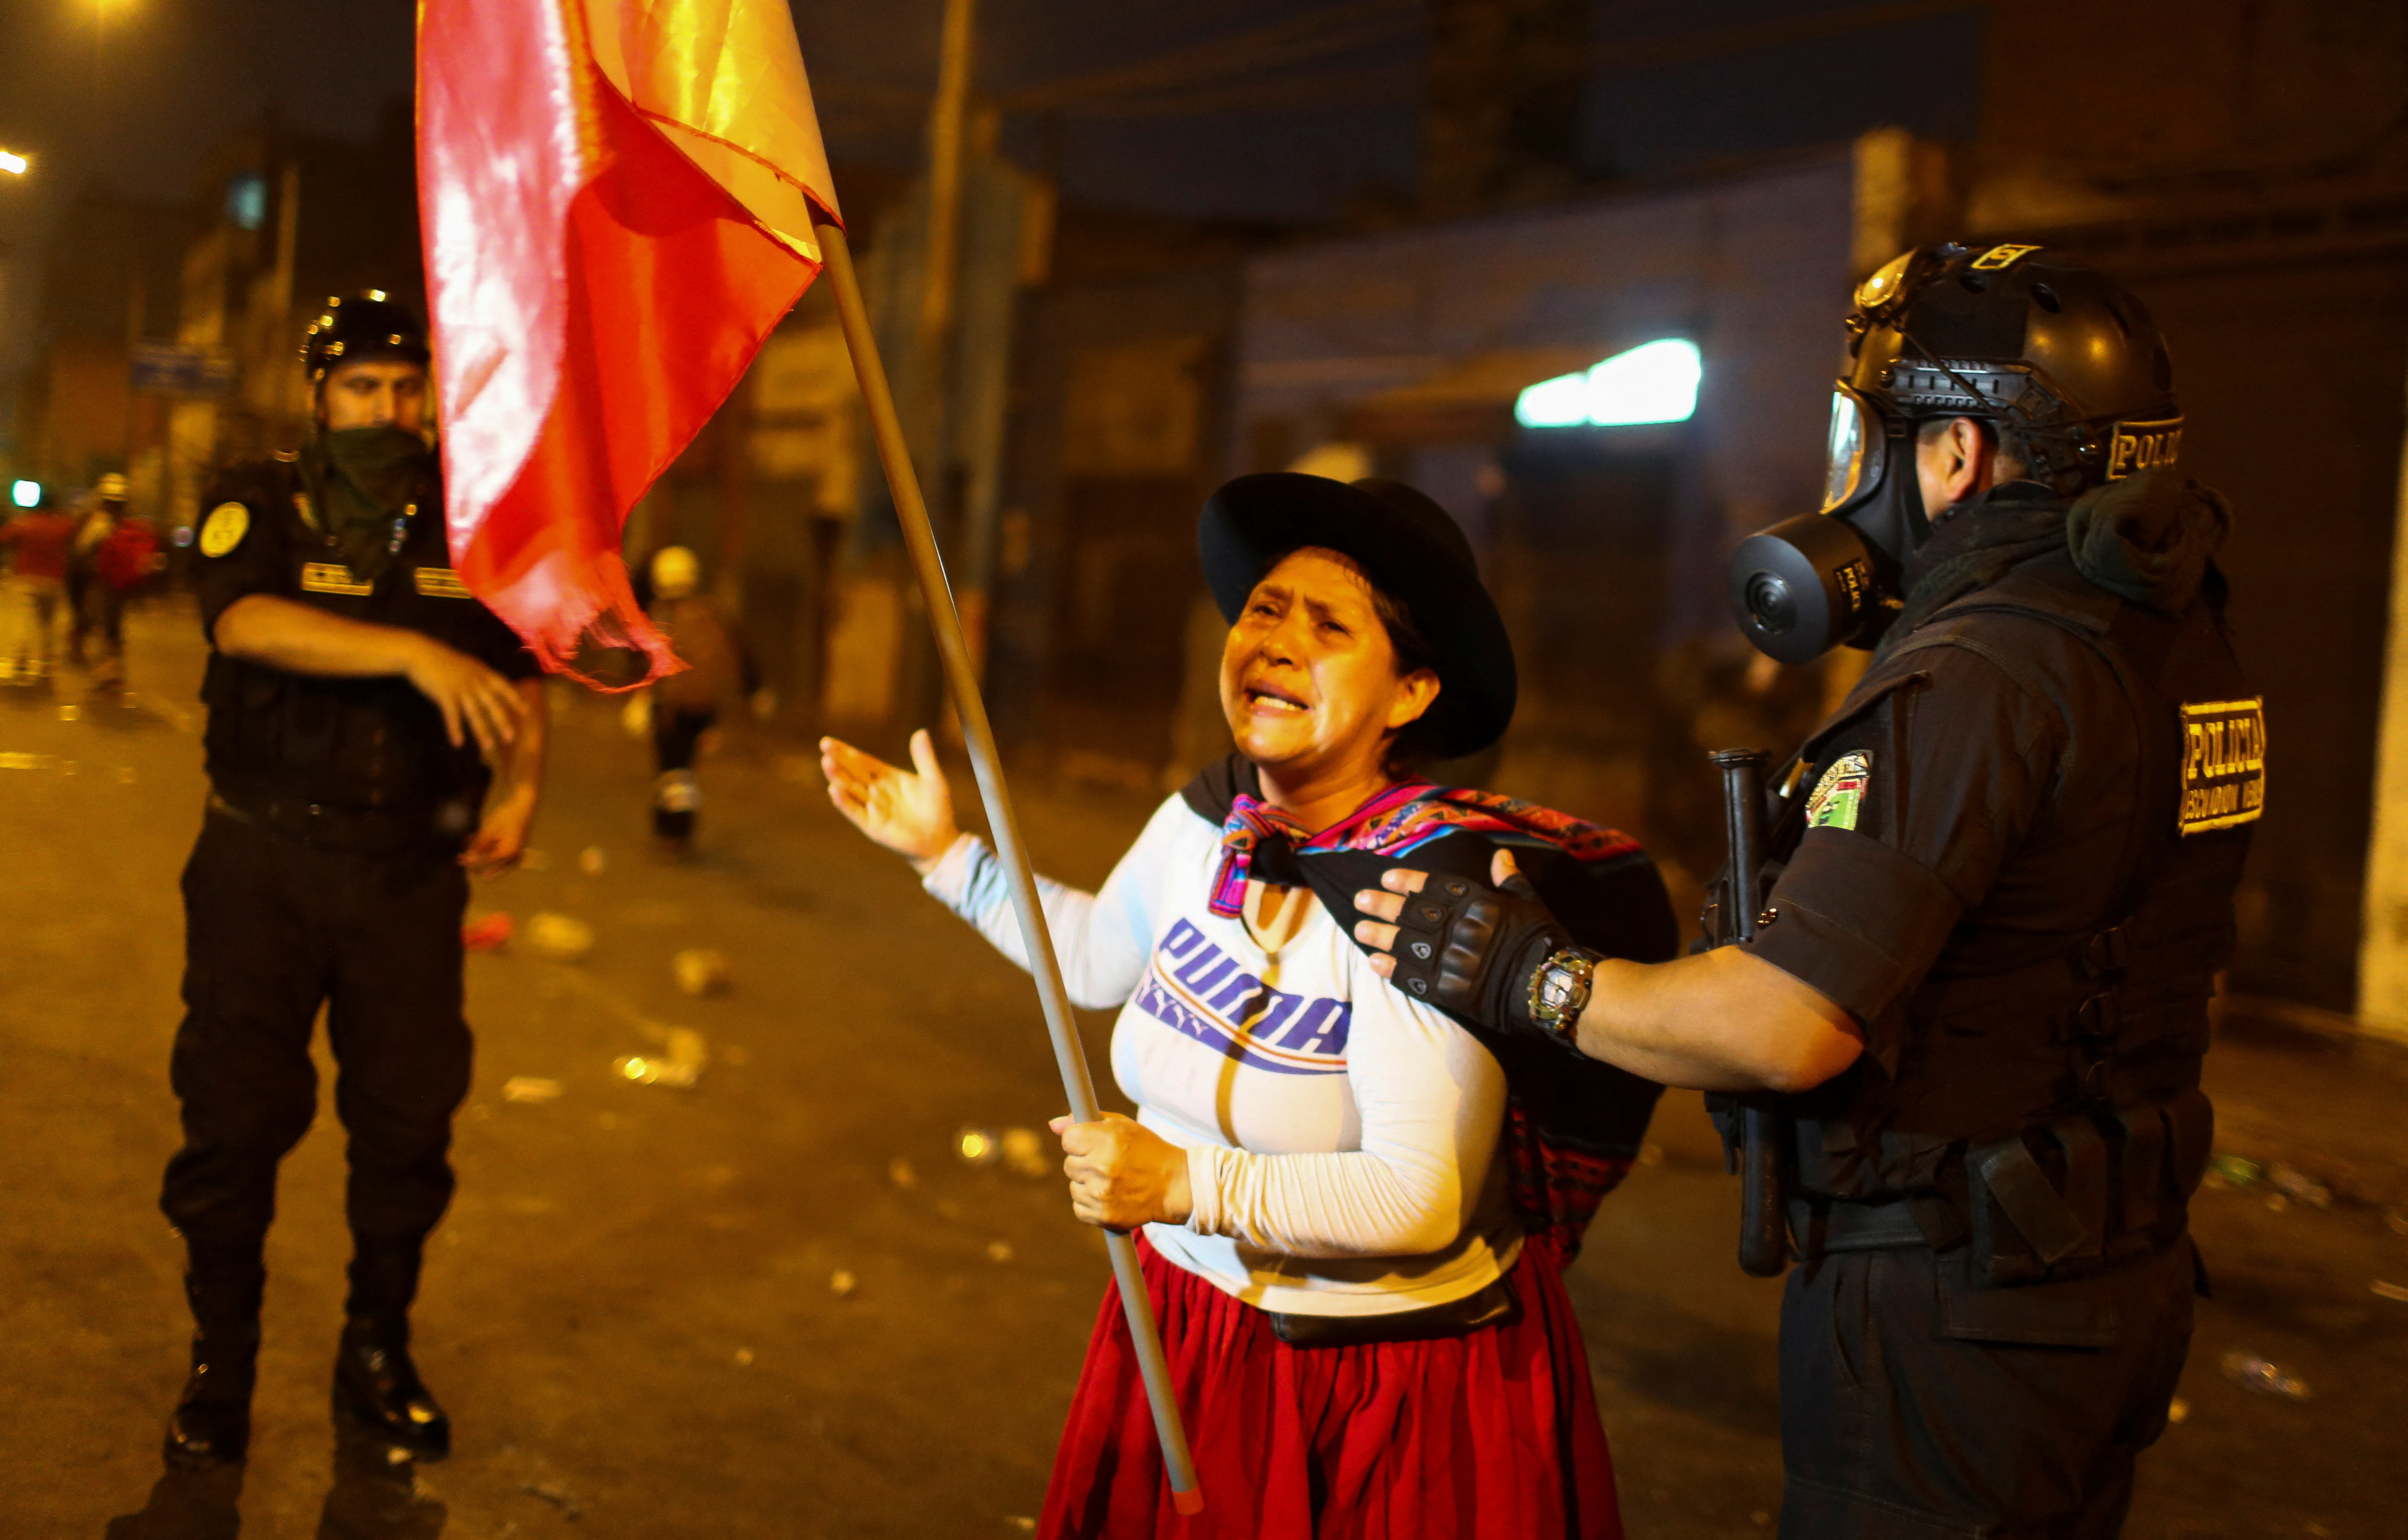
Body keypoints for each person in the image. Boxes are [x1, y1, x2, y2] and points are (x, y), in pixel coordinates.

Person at [1352, 244, 2255, 1537]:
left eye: (1865, 439)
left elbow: (1784, 1025)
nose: (1850, 481)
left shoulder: (1978, 677)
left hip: (1949, 1302)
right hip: (2106, 1275)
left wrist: (1526, 975)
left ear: (1956, 455)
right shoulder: (2172, 634)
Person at [822, 472, 1677, 1539]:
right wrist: (947, 856)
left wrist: (1183, 1181)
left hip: (1371, 1382)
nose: (1275, 642)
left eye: (1328, 627)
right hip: (1184, 1324)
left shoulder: (1422, 894)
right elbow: (1095, 960)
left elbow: (1418, 1197)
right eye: (1265, 610)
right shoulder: (1209, 816)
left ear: (1410, 694)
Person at [157, 292, 549, 1471]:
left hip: (408, 877)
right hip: (262, 864)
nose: (388, 408)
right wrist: (411, 651)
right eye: (362, 387)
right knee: (233, 1124)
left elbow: (522, 665)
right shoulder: (259, 496)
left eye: (406, 387)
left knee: (407, 1130)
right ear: (319, 397)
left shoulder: (468, 520)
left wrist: (524, 786)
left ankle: (376, 1351)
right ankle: (221, 1369)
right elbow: (244, 624)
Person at [631, 543, 762, 851]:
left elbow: (648, 662)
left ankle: (674, 830)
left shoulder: (662, 616)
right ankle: (676, 827)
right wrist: (755, 690)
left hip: (671, 707)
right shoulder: (713, 613)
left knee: (672, 769)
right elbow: (740, 653)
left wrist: (640, 697)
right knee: (686, 769)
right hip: (705, 707)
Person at [1, 490, 75, 680]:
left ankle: (21, 658)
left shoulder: (25, 523)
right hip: (54, 580)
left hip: (27, 579)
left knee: (25, 621)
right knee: (49, 623)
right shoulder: (64, 526)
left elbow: (5, 539)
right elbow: (74, 545)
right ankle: (46, 662)